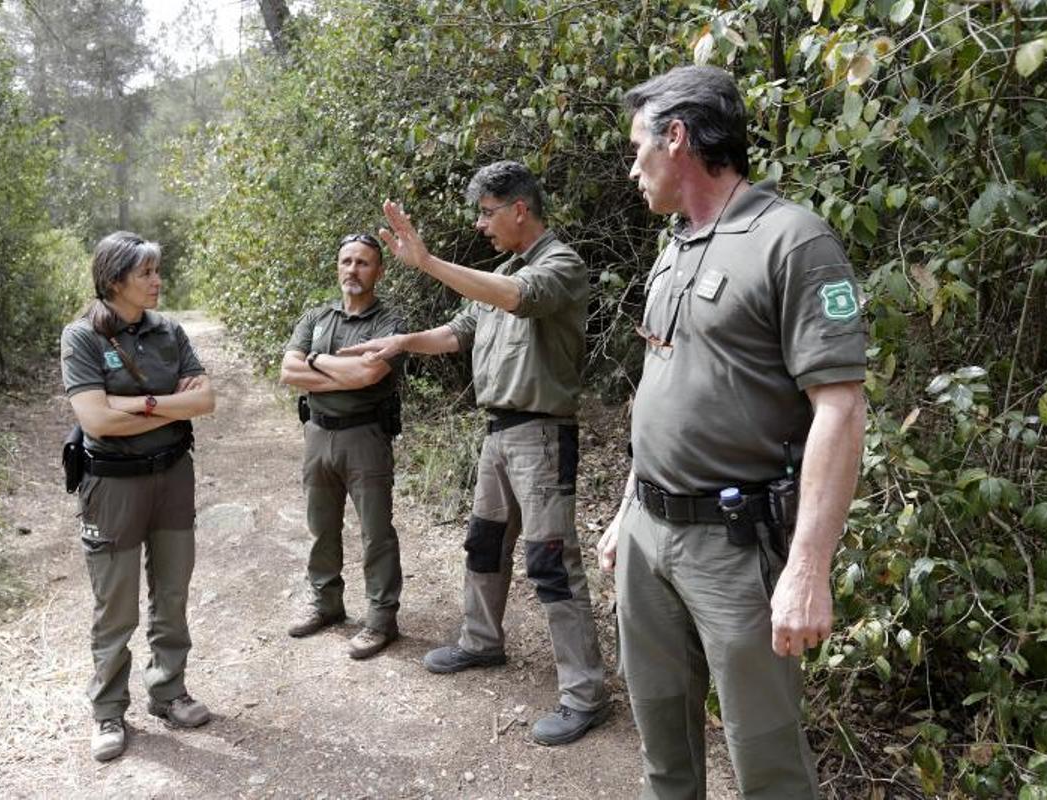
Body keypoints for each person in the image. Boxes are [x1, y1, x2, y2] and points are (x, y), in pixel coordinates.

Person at [595, 65, 868, 798]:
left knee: (766, 759)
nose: (632, 169)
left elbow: (840, 408)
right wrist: (629, 507)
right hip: (648, 536)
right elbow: (659, 386)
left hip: (735, 546)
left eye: (637, 149)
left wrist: (808, 569)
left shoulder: (793, 242)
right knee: (660, 740)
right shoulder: (675, 245)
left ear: (677, 138)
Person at [339, 162, 609, 746]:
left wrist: (429, 263)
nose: (482, 226)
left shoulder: (559, 265)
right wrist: (403, 343)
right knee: (485, 543)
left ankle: (585, 694)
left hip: (541, 436)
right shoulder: (501, 271)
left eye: (488, 213)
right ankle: (481, 642)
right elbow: (460, 330)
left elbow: (517, 299)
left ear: (518, 209)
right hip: (498, 434)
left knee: (551, 563)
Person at [61, 231, 217, 762]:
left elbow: (207, 401)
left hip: (173, 475)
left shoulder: (169, 330)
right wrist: (167, 403)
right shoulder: (82, 338)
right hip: (112, 485)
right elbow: (96, 419)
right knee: (117, 605)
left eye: (156, 270)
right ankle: (108, 709)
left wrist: (138, 403)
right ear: (113, 280)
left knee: (172, 593)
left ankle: (169, 692)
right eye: (146, 273)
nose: (157, 281)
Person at [279, 232, 406, 661]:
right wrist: (333, 368)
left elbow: (367, 376)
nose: (353, 270)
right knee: (321, 526)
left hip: (365, 436)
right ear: (338, 267)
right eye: (346, 261)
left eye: (363, 262)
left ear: (379, 271)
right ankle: (327, 604)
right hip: (316, 434)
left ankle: (381, 618)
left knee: (376, 533)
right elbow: (288, 370)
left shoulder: (389, 323)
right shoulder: (317, 316)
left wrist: (314, 362)